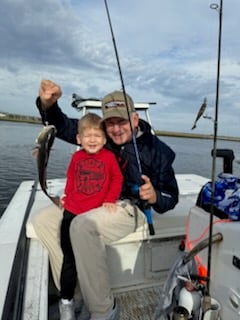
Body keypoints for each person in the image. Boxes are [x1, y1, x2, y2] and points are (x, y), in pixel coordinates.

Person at [31, 79, 179, 320]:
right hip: (94, 198)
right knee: (43, 221)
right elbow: (63, 126)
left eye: (121, 121)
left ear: (134, 120)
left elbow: (170, 197)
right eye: (110, 123)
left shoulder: (158, 151)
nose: (116, 129)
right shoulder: (100, 136)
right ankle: (74, 294)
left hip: (129, 208)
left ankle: (103, 309)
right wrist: (48, 105)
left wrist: (154, 196)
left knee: (82, 226)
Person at [59, 113, 123, 320]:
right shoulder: (76, 157)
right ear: (79, 139)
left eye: (97, 135)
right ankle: (66, 303)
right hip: (71, 212)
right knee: (69, 260)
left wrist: (111, 199)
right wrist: (66, 196)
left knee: (89, 262)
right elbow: (71, 177)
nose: (93, 140)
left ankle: (90, 301)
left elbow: (117, 178)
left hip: (93, 216)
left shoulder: (109, 157)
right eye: (88, 135)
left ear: (105, 140)